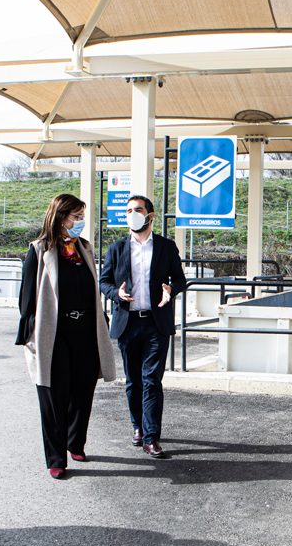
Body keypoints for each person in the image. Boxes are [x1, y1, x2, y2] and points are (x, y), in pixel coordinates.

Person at [16, 193, 116, 479]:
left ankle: (76, 442)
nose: (81, 221)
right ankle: (56, 457)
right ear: (60, 217)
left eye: (82, 215)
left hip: (85, 328)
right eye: (76, 216)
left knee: (83, 390)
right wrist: (29, 335)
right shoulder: (39, 250)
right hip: (53, 332)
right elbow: (27, 299)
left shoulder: (84, 247)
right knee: (53, 394)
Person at [99, 194, 186, 459]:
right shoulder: (116, 249)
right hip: (128, 323)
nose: (132, 214)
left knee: (152, 381)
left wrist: (171, 289)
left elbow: (180, 279)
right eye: (128, 210)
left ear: (149, 216)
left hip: (156, 324)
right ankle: (137, 426)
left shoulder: (166, 247)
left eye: (137, 209)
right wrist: (116, 294)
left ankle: (151, 437)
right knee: (133, 381)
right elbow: (104, 282)